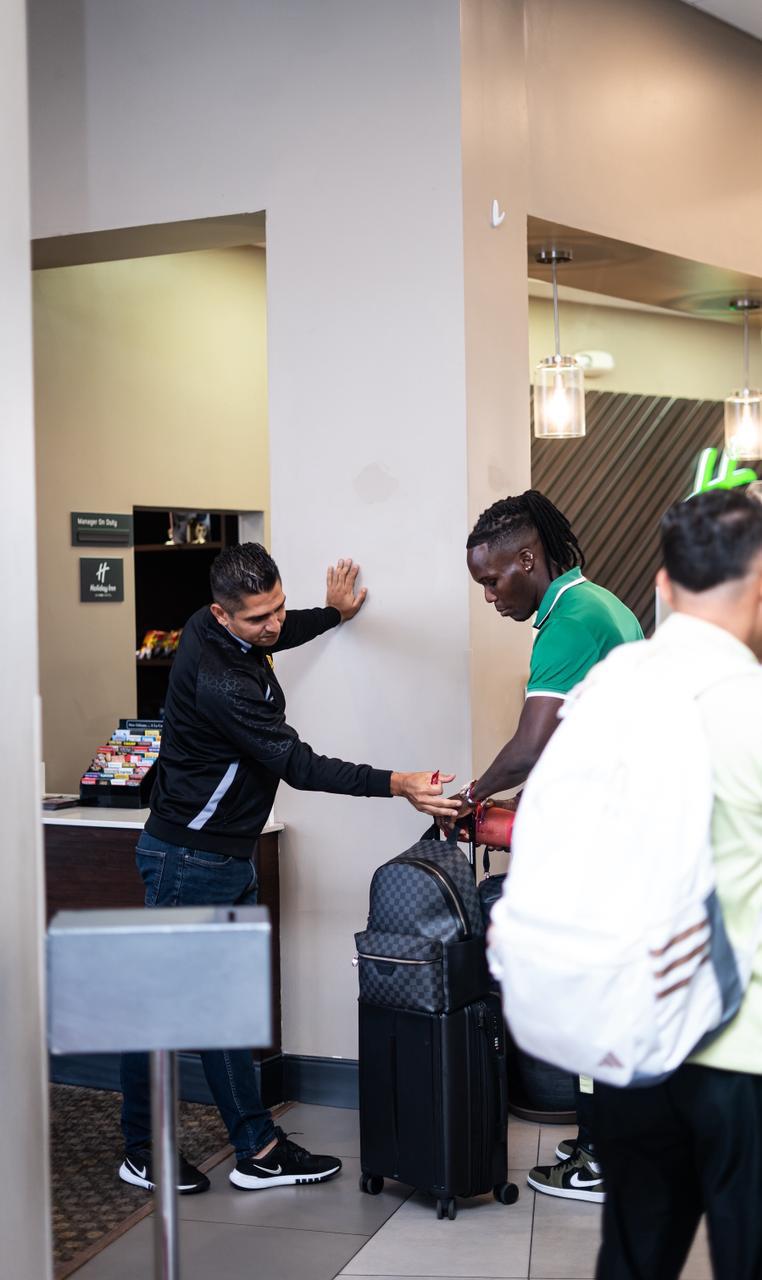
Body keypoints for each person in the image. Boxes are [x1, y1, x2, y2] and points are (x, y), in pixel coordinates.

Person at [119, 544, 460, 1196]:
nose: (273, 625)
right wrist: (399, 783)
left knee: (209, 1007)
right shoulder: (224, 683)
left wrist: (329, 615)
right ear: (222, 616)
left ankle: (249, 1145)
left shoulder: (216, 624)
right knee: (171, 1008)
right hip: (191, 859)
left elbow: (285, 627)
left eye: (277, 607)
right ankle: (172, 1149)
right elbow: (300, 766)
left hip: (219, 854)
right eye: (258, 620)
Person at [592, 489, 762, 1280]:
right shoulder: (752, 710)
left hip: (638, 1040)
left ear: (662, 587)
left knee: (633, 1259)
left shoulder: (606, 700)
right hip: (744, 1052)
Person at [455, 490, 643, 1203]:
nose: (490, 596)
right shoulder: (598, 605)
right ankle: (606, 1137)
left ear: (525, 561)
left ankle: (600, 1158)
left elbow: (532, 745)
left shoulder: (568, 622)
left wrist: (470, 797)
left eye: (491, 580)